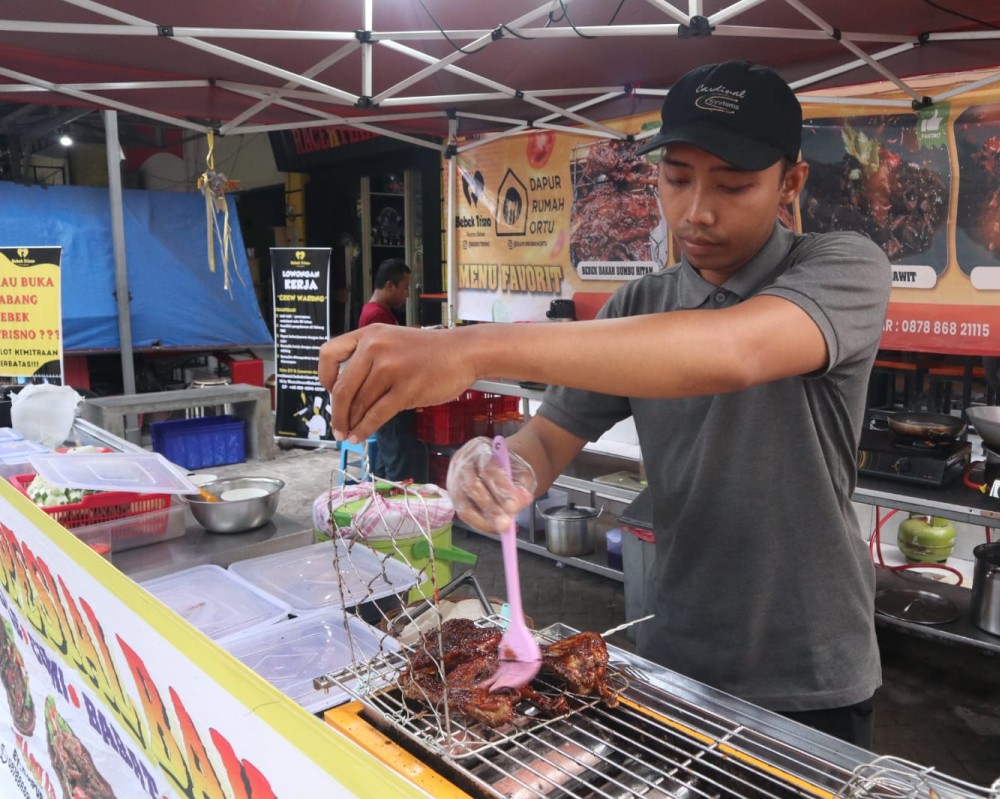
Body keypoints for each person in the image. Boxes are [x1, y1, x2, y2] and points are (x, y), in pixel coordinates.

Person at [319, 61, 891, 748]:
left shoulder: (842, 267)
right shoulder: (638, 306)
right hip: (674, 656)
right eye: (676, 178)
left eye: (733, 185)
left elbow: (726, 352)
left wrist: (468, 348)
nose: (696, 211)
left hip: (811, 667)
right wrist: (501, 468)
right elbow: (550, 439)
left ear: (790, 182)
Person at [357, 259, 428, 482]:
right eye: (405, 288)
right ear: (389, 286)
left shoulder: (381, 313)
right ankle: (394, 511)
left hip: (386, 398)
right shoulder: (375, 315)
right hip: (387, 398)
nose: (407, 294)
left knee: (387, 462)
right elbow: (388, 355)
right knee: (396, 465)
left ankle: (381, 505)